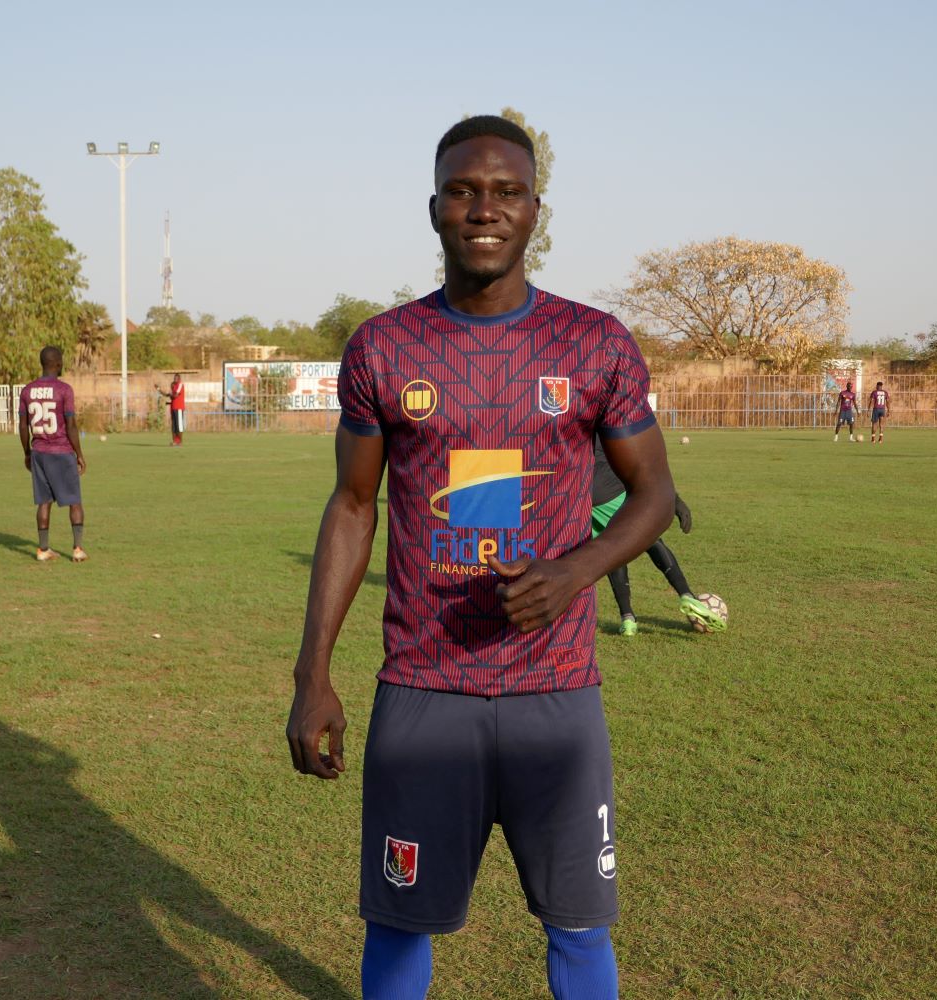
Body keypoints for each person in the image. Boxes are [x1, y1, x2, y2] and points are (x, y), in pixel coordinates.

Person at [285, 115, 675, 1000]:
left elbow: (654, 493)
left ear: (536, 210)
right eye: (464, 191)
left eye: (505, 192)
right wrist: (313, 674)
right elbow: (352, 506)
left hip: (558, 692)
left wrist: (575, 572)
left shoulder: (593, 343)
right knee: (397, 923)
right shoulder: (383, 349)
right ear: (434, 209)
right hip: (424, 693)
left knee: (579, 924)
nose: (484, 209)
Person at [590, 435, 720, 637]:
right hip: (610, 489)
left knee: (613, 548)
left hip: (582, 498)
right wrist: (675, 500)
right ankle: (686, 595)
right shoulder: (608, 414)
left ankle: (628, 619)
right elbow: (641, 459)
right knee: (649, 538)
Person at [18, 346, 87, 562]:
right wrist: (79, 454)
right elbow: (71, 425)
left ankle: (43, 549)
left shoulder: (27, 390)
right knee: (74, 500)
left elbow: (22, 426)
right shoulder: (64, 389)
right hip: (61, 451)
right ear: (57, 363)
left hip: (39, 451)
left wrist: (27, 452)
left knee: (44, 502)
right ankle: (77, 549)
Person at [155, 372, 186, 445]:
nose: (175, 379)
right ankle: (175, 441)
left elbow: (175, 396)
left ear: (179, 379)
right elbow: (167, 395)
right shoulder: (174, 387)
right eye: (174, 378)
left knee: (179, 426)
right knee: (174, 426)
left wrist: (171, 395)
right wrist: (158, 389)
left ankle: (180, 442)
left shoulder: (180, 385)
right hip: (173, 409)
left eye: (176, 378)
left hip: (179, 408)